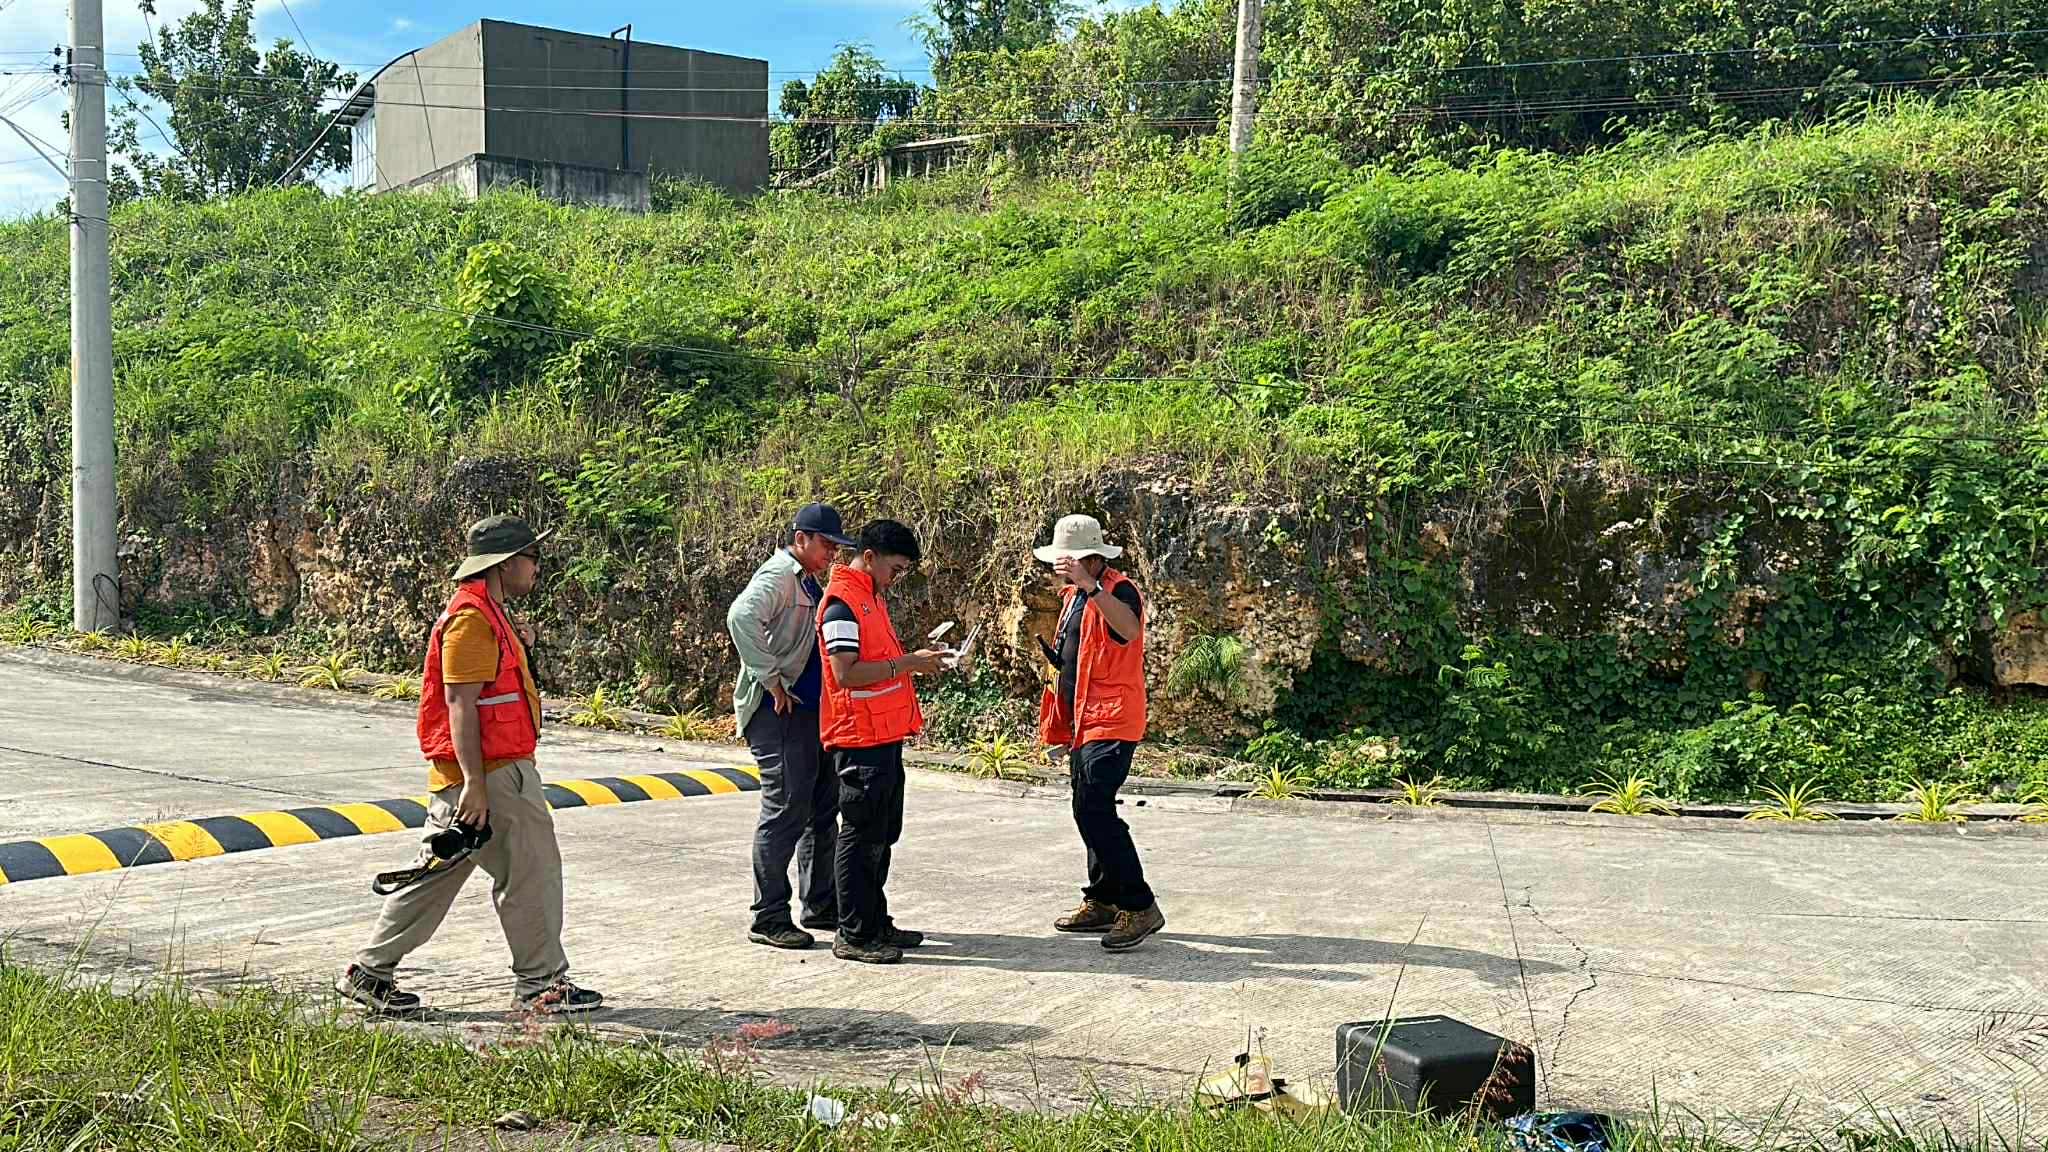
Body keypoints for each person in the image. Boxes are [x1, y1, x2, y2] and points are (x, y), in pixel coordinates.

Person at [336, 515, 603, 1016]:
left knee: (437, 874)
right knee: (531, 873)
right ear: (505, 564)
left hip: (482, 773)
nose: (537, 568)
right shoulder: (471, 619)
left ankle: (369, 973)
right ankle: (543, 984)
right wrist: (476, 785)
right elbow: (460, 704)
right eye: (531, 558)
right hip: (493, 774)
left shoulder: (489, 614)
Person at [817, 519, 947, 965]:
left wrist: (911, 662)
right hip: (859, 738)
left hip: (883, 735)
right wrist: (910, 662)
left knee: (881, 835)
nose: (897, 577)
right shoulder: (842, 604)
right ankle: (853, 932)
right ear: (869, 557)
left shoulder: (869, 597)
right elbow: (845, 673)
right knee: (861, 835)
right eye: (896, 568)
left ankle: (874, 922)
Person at [1035, 513, 1164, 952]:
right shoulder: (1072, 595)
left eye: (1066, 561)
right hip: (1082, 720)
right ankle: (1105, 898)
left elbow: (1129, 631)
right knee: (1086, 808)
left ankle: (1140, 904)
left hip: (1112, 718)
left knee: (1094, 809)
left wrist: (1093, 589)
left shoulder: (1118, 589)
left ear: (1090, 558)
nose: (1059, 568)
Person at [727, 502, 852, 950]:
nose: (832, 553)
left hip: (809, 711)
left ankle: (819, 903)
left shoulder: (805, 578)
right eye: (826, 544)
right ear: (801, 539)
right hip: (779, 711)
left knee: (819, 809)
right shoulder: (779, 575)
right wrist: (770, 678)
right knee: (784, 811)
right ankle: (768, 915)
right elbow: (741, 618)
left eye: (836, 547)